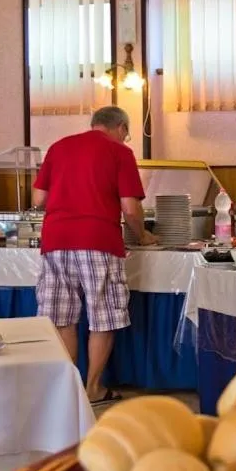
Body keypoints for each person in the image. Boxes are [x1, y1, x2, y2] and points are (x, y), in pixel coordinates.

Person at [31, 106, 158, 405]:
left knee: (61, 318)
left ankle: (68, 391)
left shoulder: (58, 147)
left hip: (56, 240)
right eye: (126, 134)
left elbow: (39, 199)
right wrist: (142, 235)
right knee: (103, 317)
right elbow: (130, 208)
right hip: (98, 240)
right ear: (122, 127)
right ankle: (93, 389)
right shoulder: (119, 153)